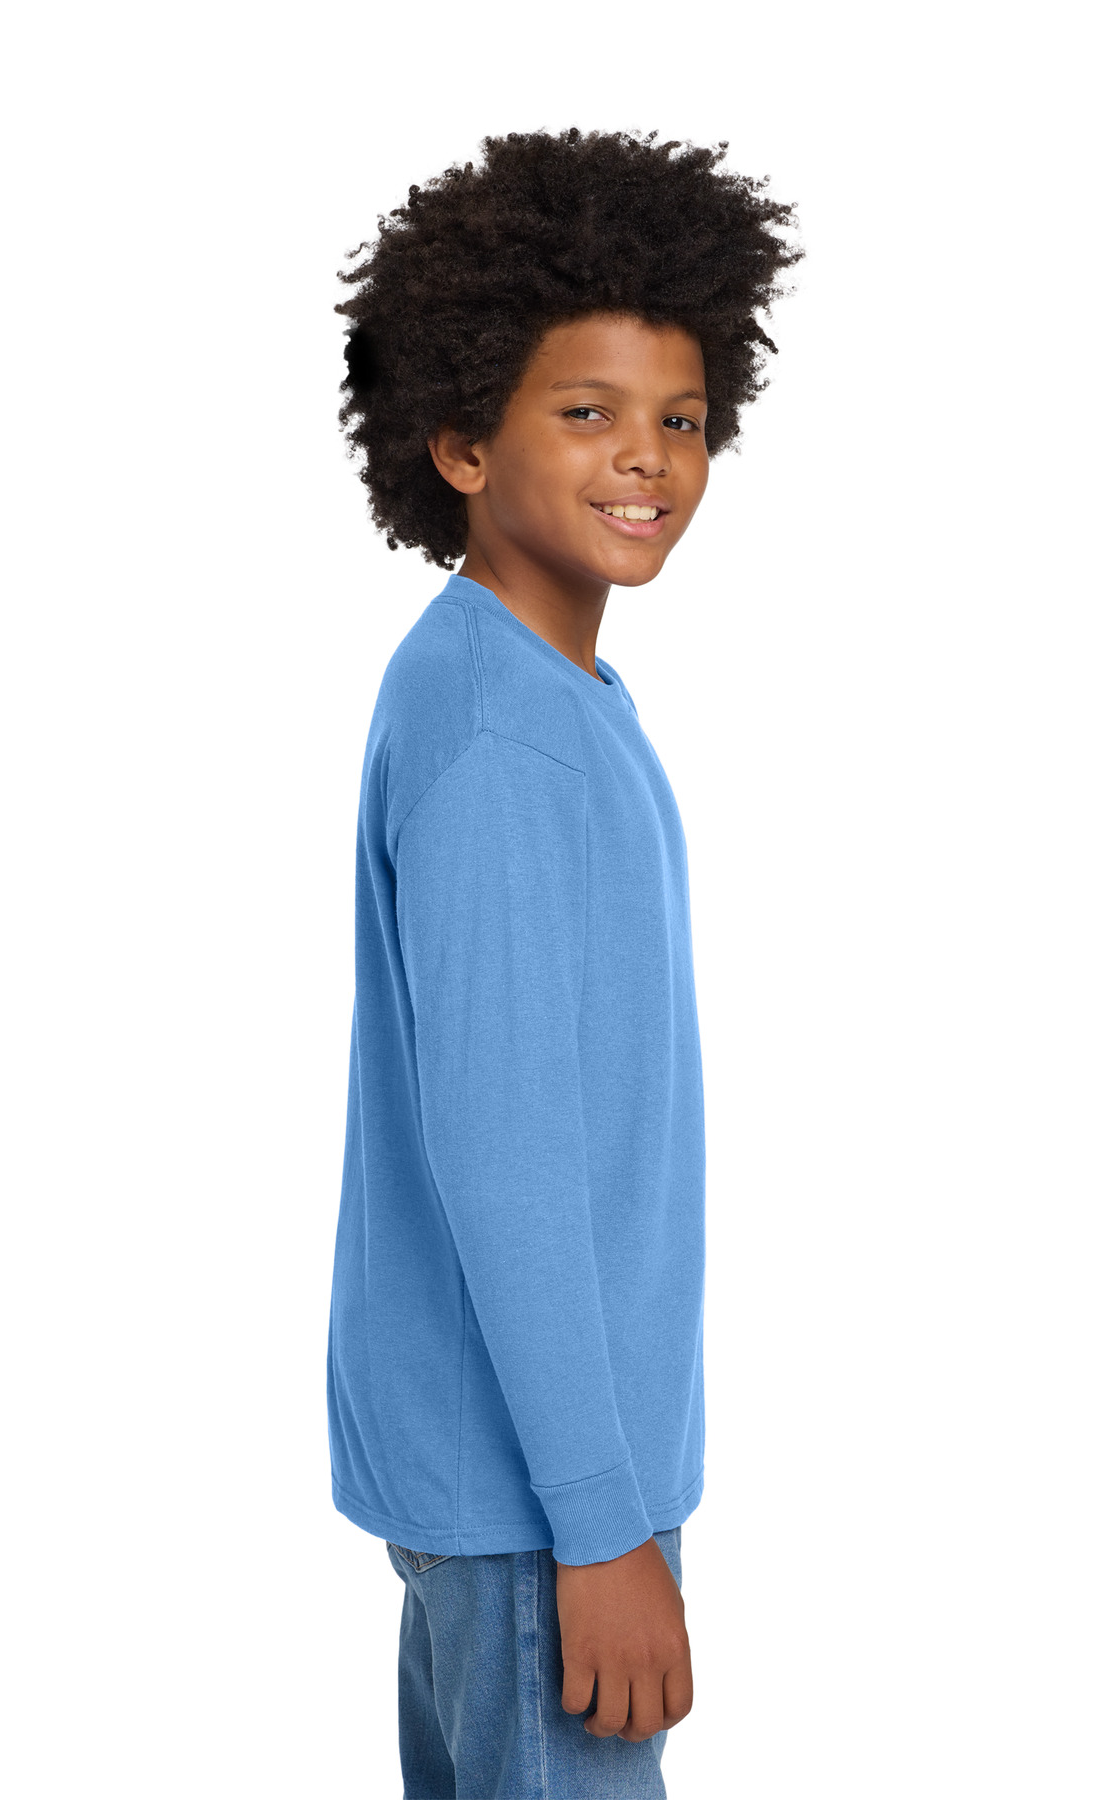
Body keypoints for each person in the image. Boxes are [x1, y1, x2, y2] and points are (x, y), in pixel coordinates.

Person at [326, 127, 800, 1798]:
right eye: (586, 413)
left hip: (521, 1474)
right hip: (541, 1498)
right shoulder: (499, 742)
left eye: (681, 417)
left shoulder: (533, 691)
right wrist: (602, 1530)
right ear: (461, 441)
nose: (647, 459)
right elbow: (508, 1155)